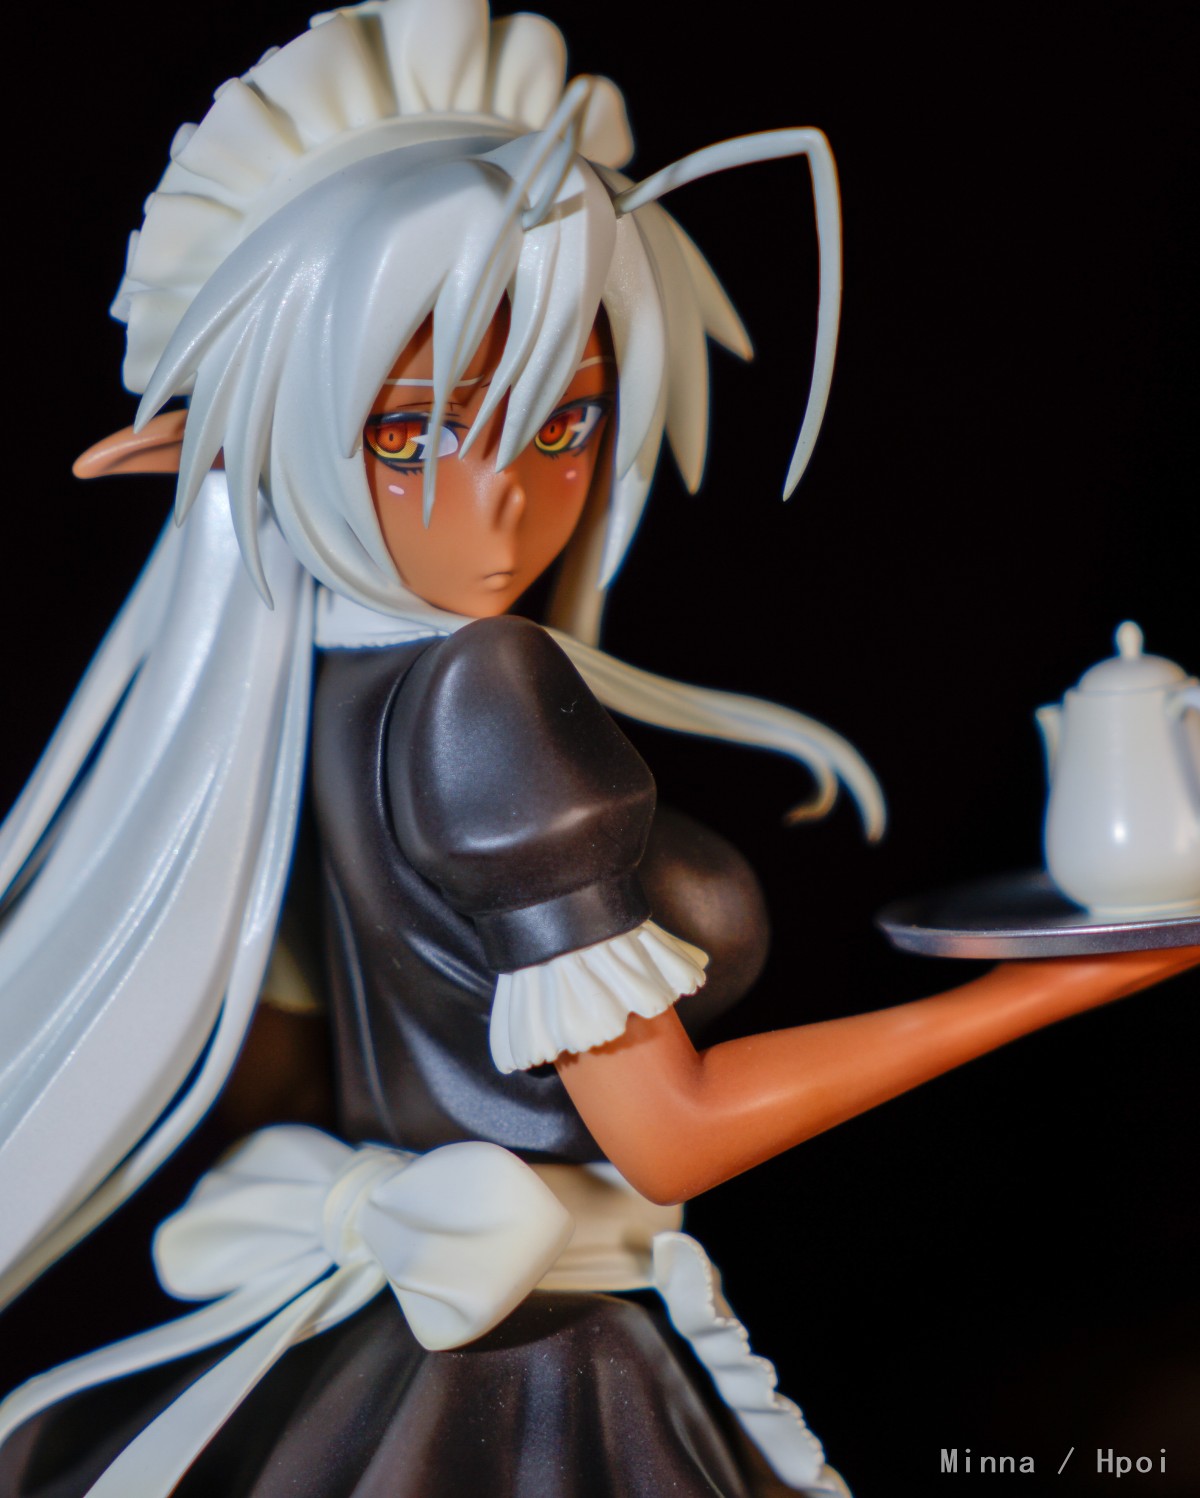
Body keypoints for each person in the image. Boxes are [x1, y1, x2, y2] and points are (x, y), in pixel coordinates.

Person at [0, 2, 1195, 1494]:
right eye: (406, 436)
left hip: (377, 1348)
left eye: (559, 425)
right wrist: (1068, 981)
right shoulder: (483, 687)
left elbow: (278, 1068)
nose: (501, 502)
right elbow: (668, 1139)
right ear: (284, 435)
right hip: (536, 1365)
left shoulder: (310, 685)